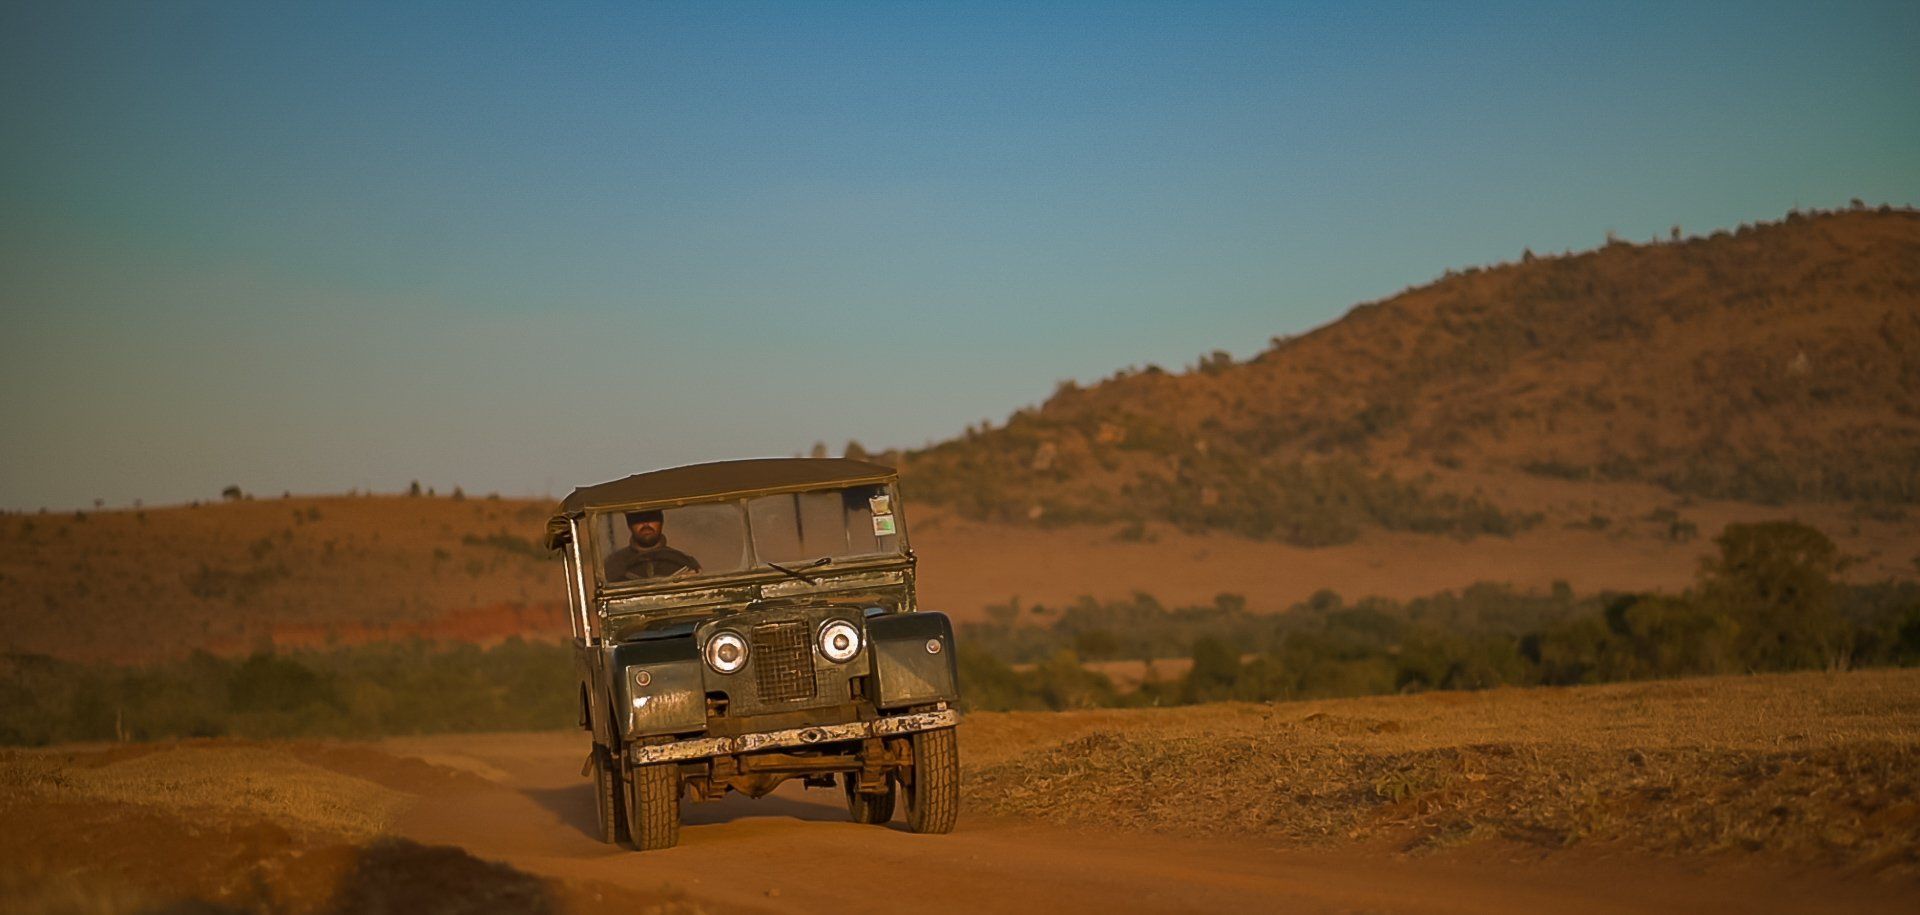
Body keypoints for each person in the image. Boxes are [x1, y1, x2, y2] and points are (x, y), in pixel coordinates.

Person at [604, 509, 701, 581]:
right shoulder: (612, 566)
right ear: (629, 525)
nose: (646, 524)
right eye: (637, 519)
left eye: (652, 517)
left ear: (661, 522)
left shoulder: (685, 563)